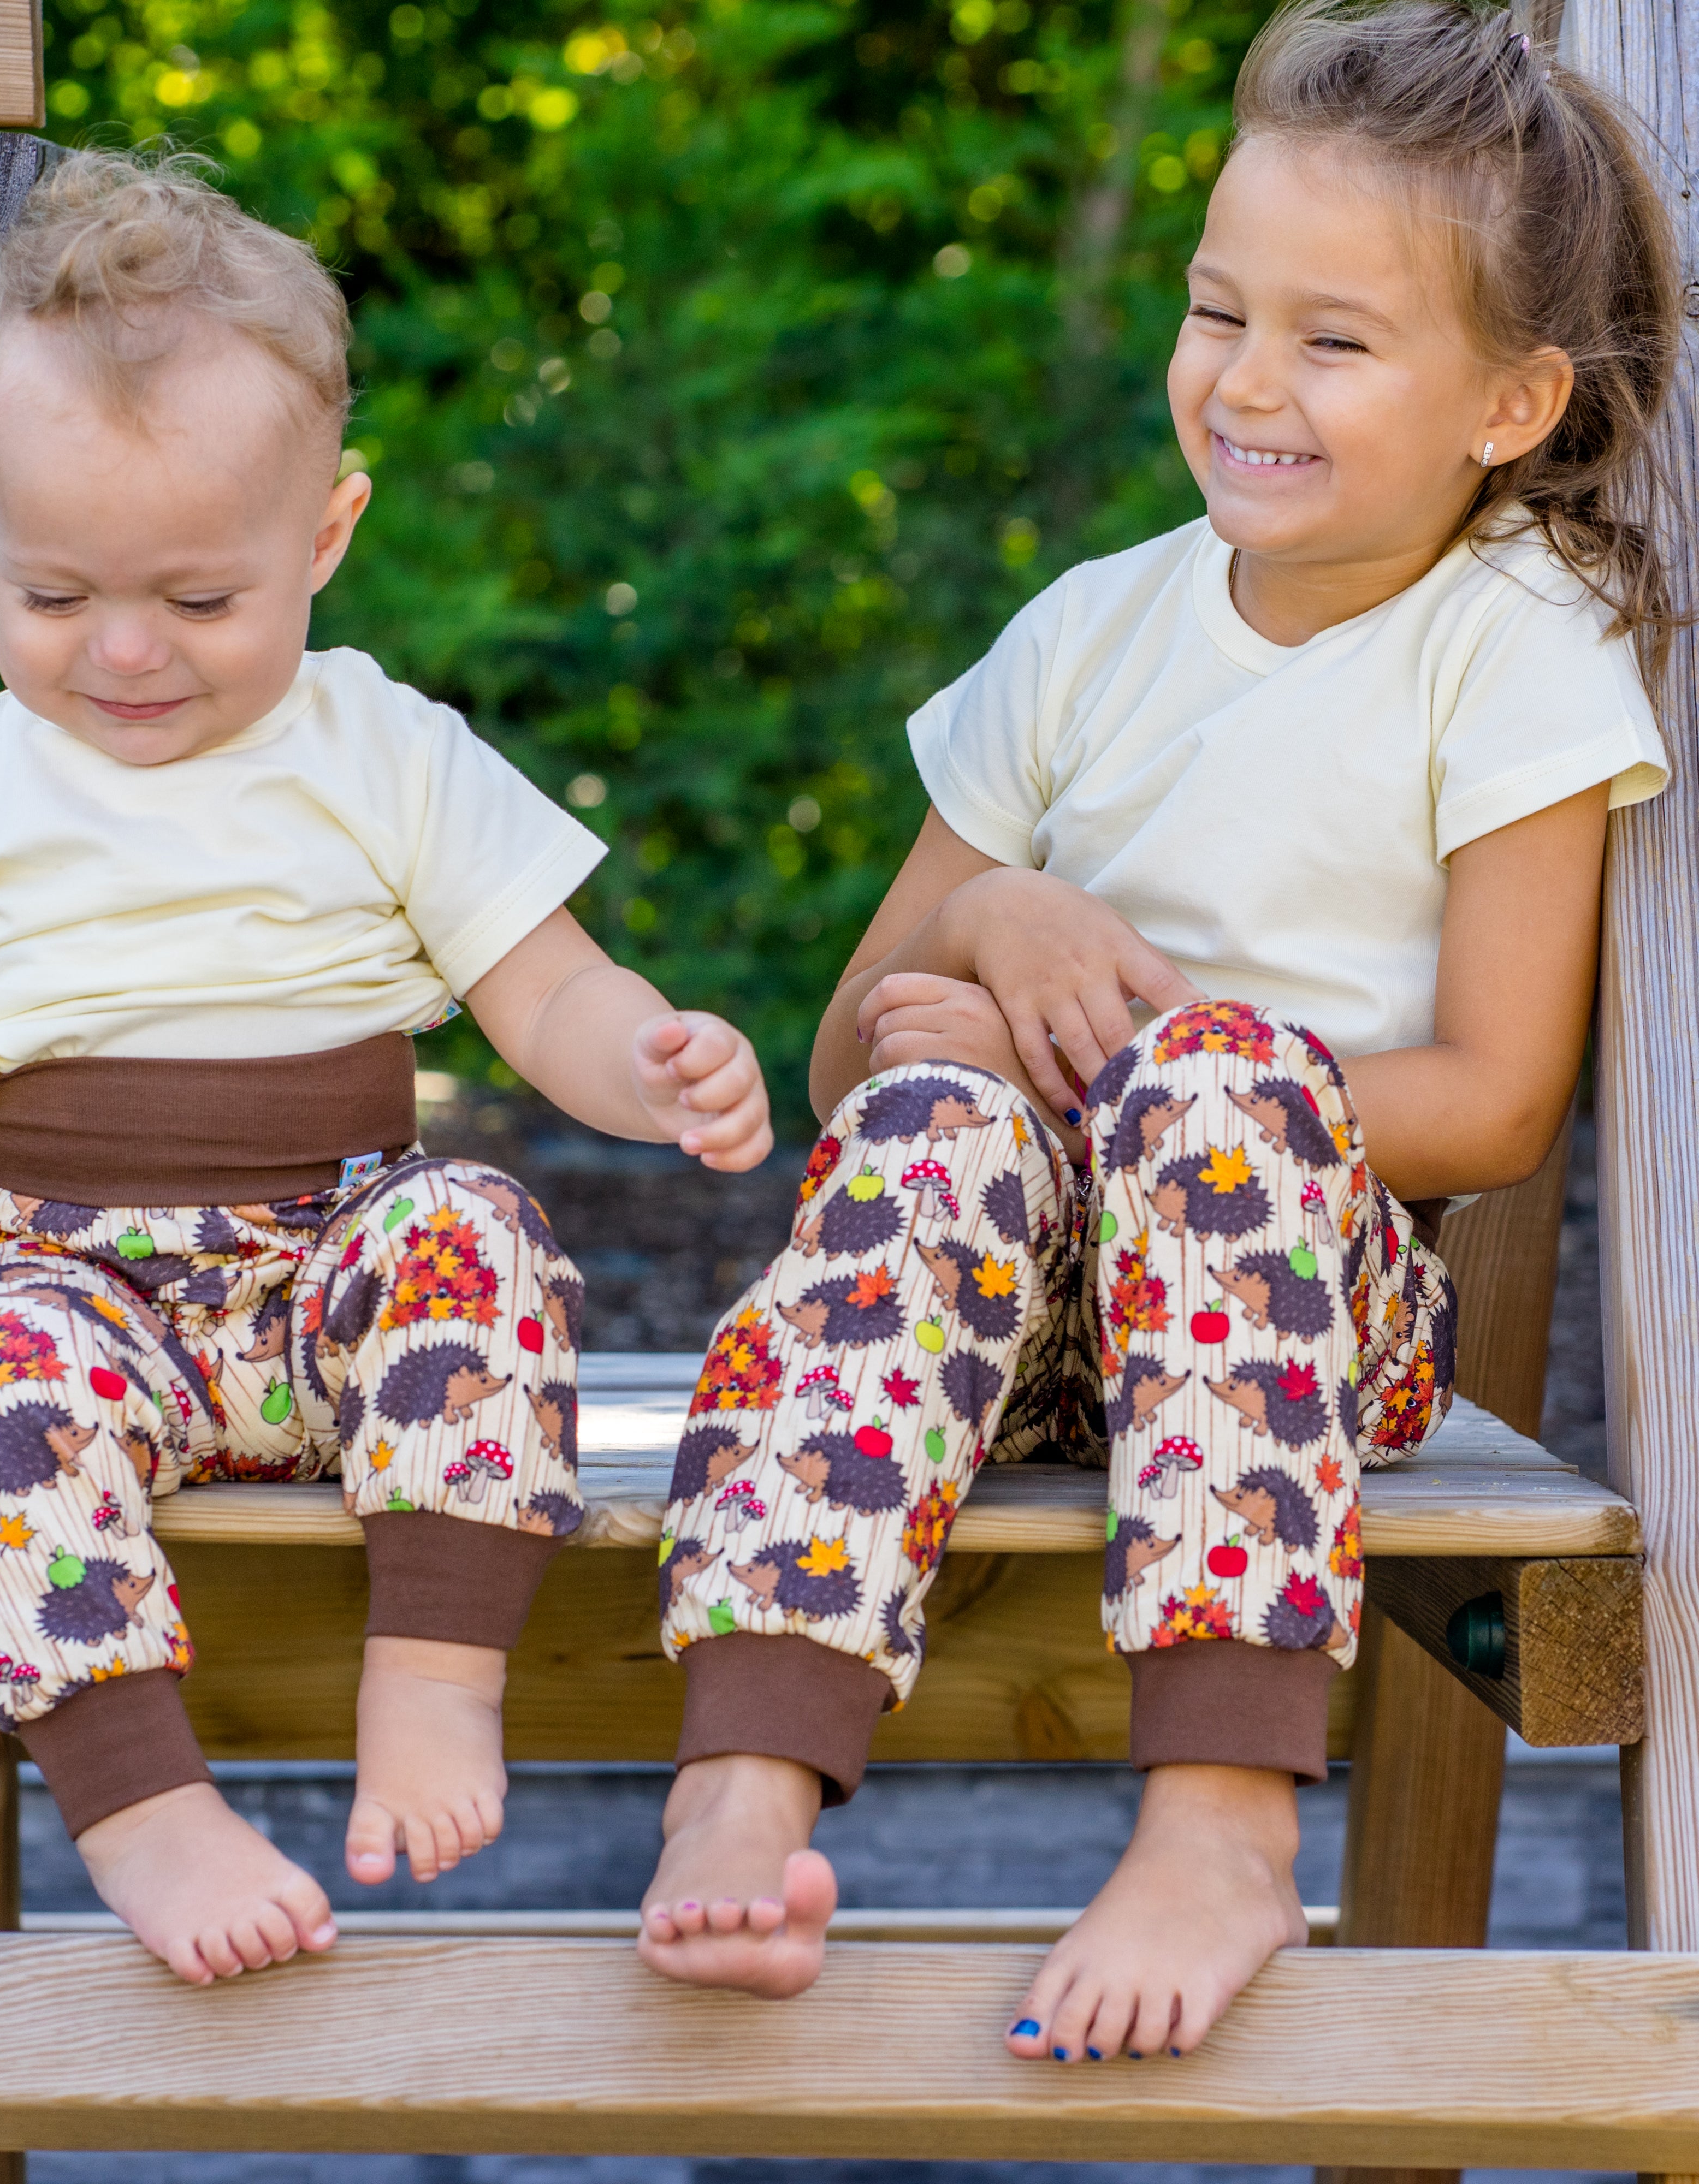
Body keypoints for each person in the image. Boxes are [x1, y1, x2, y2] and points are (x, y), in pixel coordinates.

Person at [0, 150, 772, 1987]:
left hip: (343, 1274)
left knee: (485, 1230)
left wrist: (655, 1066)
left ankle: (433, 1681)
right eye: (56, 596)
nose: (125, 653)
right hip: (83, 1292)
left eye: (200, 602)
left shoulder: (385, 752)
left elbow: (548, 993)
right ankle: (143, 1809)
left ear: (326, 537)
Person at [637, 0, 1677, 2058]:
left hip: (1297, 1319)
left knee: (1210, 1092)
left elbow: (1491, 1103)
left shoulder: (1519, 642)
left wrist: (1159, 1064)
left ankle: (1220, 1823)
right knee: (935, 1129)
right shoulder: (1090, 632)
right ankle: (742, 1771)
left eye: (1337, 338)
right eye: (1220, 311)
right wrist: (1004, 923)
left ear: (1509, 400)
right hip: (1015, 1321)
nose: (1247, 382)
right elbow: (854, 1059)